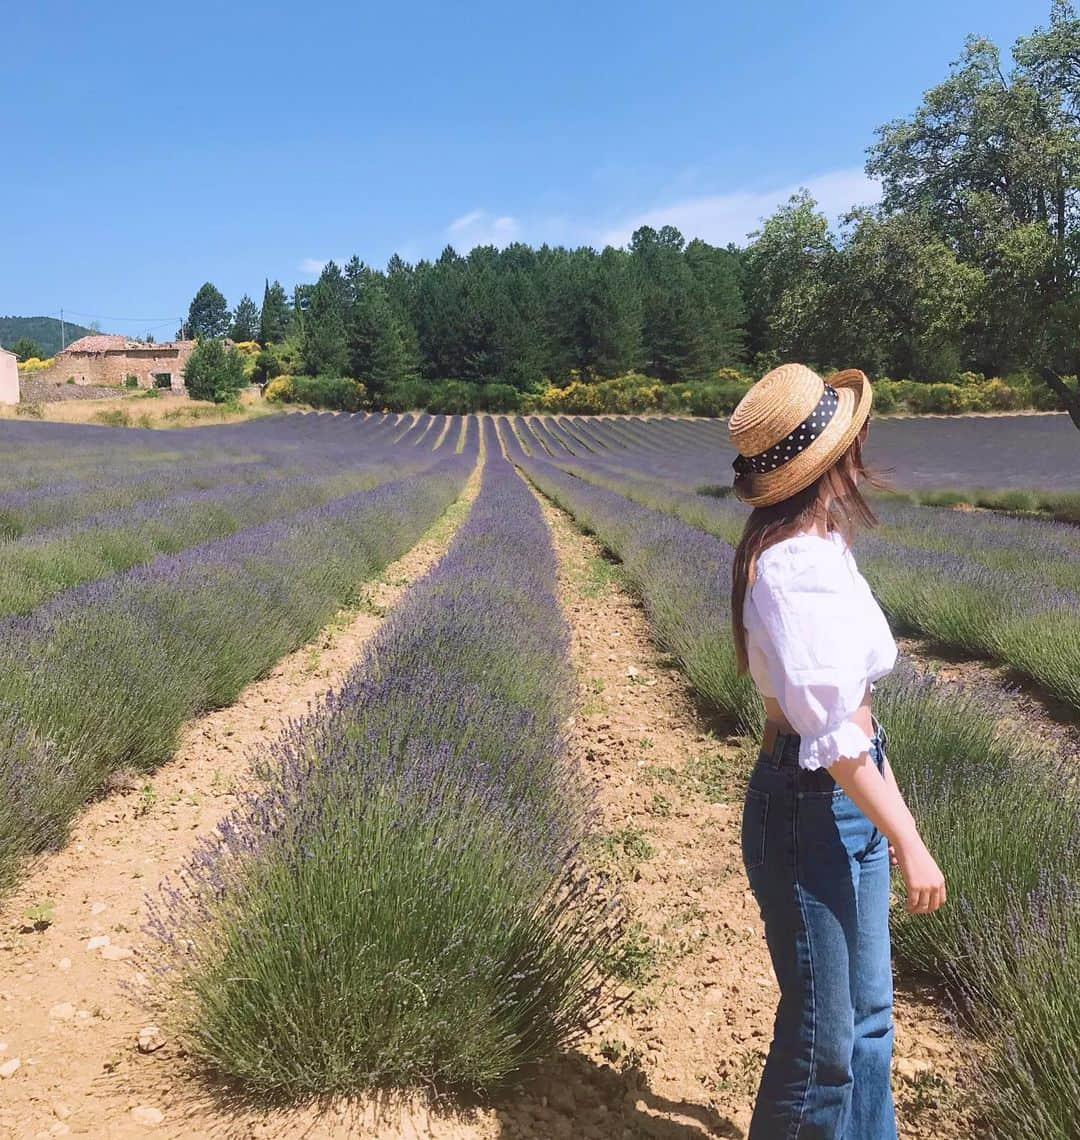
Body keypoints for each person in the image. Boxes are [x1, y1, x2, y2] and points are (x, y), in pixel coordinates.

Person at [727, 363, 946, 1139]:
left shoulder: (822, 547)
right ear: (834, 460)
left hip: (835, 795)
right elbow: (836, 739)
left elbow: (851, 730)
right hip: (809, 808)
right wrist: (910, 839)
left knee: (869, 1027)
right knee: (823, 1048)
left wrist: (890, 824)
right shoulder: (790, 570)